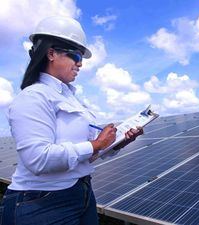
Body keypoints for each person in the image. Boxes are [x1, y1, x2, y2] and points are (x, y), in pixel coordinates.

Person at [0, 16, 143, 225]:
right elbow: (38, 159)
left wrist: (117, 142)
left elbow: (89, 153)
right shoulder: (33, 97)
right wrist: (96, 143)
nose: (80, 63)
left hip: (81, 193)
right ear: (51, 53)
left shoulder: (72, 99)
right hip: (42, 203)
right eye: (75, 55)